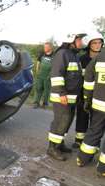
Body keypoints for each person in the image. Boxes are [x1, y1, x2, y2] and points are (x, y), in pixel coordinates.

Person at [47, 32, 87, 161]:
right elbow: (57, 75)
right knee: (60, 121)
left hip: (71, 97)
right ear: (71, 40)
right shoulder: (62, 54)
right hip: (62, 97)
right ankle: (52, 148)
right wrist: (62, 93)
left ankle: (60, 143)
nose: (81, 42)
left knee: (67, 122)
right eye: (79, 39)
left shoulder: (74, 55)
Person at [76, 47, 105, 177]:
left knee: (94, 129)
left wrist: (88, 96)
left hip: (99, 102)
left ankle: (82, 158)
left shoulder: (101, 56)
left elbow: (88, 73)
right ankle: (103, 168)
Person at [73, 32, 104, 148]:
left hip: (99, 95)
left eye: (99, 42)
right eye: (94, 43)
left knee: (96, 120)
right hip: (83, 93)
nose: (97, 45)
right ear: (89, 45)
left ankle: (93, 142)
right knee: (82, 116)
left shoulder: (103, 58)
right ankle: (79, 139)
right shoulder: (82, 59)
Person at [33, 42, 54, 109]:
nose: (45, 48)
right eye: (44, 47)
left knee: (46, 91)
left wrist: (51, 74)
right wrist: (37, 71)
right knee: (38, 89)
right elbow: (38, 62)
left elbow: (55, 66)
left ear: (50, 47)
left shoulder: (54, 55)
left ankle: (45, 104)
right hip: (40, 75)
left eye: (46, 47)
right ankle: (36, 103)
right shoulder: (42, 54)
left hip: (48, 76)